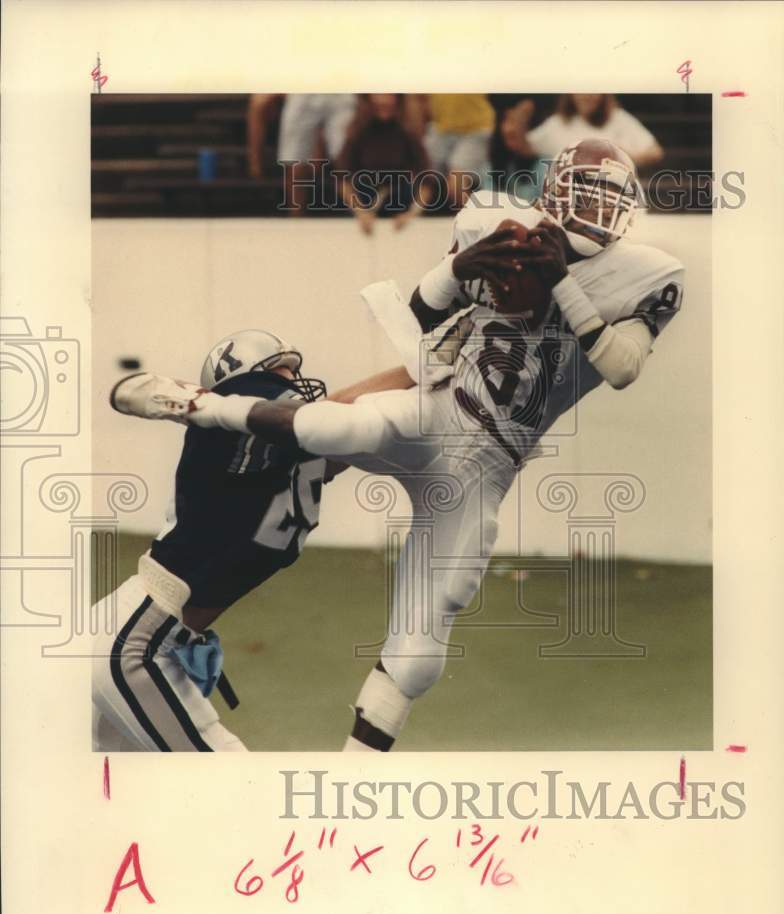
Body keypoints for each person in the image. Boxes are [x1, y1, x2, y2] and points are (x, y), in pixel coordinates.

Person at [110, 138, 685, 753]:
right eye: (583, 192)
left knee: (417, 657)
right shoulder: (495, 223)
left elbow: (621, 367)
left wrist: (561, 282)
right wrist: (454, 272)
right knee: (340, 428)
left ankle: (355, 778)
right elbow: (418, 320)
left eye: (605, 198)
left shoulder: (648, 276)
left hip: (490, 462)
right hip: (442, 409)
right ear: (553, 185)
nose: (592, 210)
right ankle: (197, 405)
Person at [95, 330, 410, 751]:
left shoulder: (274, 452)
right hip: (137, 641)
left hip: (147, 635)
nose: (297, 379)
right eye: (284, 369)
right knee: (232, 785)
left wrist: (433, 381)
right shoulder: (239, 417)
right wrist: (419, 368)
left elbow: (352, 427)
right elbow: (335, 413)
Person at [335, 94, 431, 235]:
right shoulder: (358, 131)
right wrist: (360, 212)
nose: (384, 101)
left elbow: (427, 182)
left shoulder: (408, 132)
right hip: (363, 198)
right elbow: (343, 179)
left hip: (400, 200)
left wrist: (411, 214)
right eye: (379, 97)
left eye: (389, 96)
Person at [519, 94, 664, 172]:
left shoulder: (618, 119)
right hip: (570, 203)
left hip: (615, 199)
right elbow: (526, 147)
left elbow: (655, 151)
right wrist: (520, 120)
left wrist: (622, 156)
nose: (587, 95)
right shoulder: (557, 123)